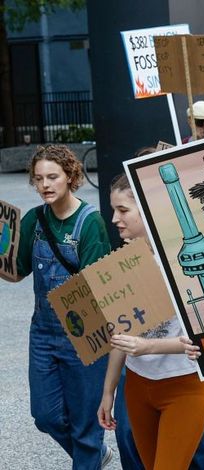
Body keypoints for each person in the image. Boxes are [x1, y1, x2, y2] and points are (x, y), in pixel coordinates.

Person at [97, 174, 204, 469]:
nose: (114, 219)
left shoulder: (182, 261)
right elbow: (121, 333)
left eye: (123, 210)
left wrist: (146, 346)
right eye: (114, 210)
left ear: (147, 209)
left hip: (183, 386)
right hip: (137, 387)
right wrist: (108, 391)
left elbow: (200, 339)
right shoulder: (125, 259)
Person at [12, 144, 113, 468]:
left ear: (70, 176)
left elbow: (97, 286)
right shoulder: (34, 219)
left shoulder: (90, 222)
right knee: (45, 416)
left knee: (86, 427)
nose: (45, 185)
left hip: (84, 331)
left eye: (52, 177)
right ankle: (94, 456)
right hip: (43, 331)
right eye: (39, 178)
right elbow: (17, 270)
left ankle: (90, 454)